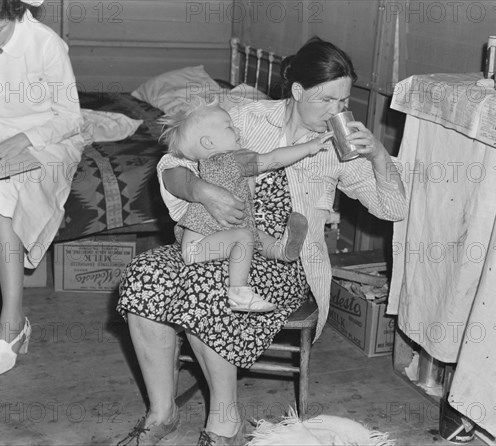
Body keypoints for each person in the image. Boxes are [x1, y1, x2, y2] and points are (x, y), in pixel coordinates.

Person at [117, 36, 407, 446]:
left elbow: (393, 208)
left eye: (343, 102)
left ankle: (224, 419)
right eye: (326, 100)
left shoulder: (339, 148)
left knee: (208, 288)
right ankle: (161, 413)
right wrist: (201, 190)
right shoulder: (245, 118)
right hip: (218, 240)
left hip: (283, 261)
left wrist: (378, 155)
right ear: (296, 91)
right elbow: (171, 163)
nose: (337, 112)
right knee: (145, 273)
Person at [0, 0, 84, 377]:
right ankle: (14, 324)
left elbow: (71, 118)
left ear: (16, 14)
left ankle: (11, 324)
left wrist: (25, 138)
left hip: (48, 136)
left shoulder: (46, 44)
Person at [159, 101, 332, 313]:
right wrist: (309, 148)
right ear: (208, 143)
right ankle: (239, 292)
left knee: (253, 233)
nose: (238, 129)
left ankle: (282, 250)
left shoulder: (207, 164)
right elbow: (273, 159)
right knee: (245, 236)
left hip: (207, 238)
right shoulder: (233, 160)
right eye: (230, 127)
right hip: (198, 247)